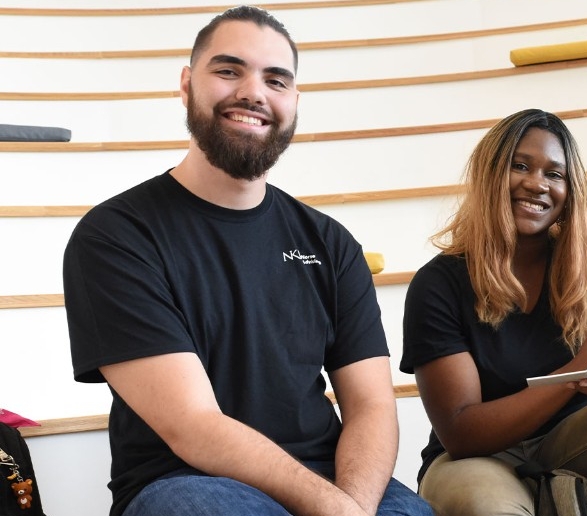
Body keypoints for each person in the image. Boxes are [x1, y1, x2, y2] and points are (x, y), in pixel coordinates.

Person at [62, 7, 434, 516]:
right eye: (229, 70)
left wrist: (355, 505)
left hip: (329, 477)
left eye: (275, 80)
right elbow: (192, 425)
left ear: (294, 101)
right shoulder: (117, 236)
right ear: (188, 84)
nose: (254, 93)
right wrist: (337, 511)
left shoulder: (330, 242)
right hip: (191, 483)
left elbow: (370, 405)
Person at [400, 108, 587, 515]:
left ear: (570, 190)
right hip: (475, 459)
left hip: (574, 441)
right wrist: (574, 374)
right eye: (520, 165)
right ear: (491, 174)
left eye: (554, 174)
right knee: (485, 504)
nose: (536, 184)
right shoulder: (438, 284)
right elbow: (462, 432)